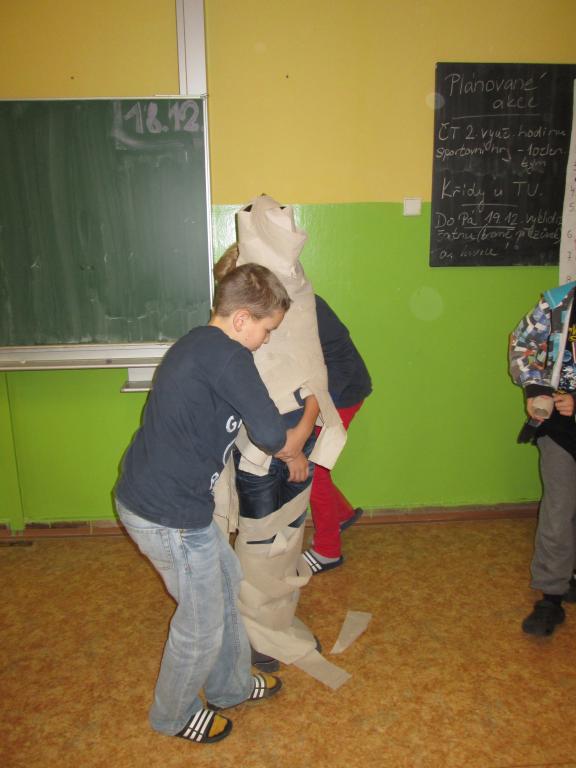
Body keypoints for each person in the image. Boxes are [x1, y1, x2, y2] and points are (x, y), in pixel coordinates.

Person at [114, 263, 293, 744]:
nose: (266, 340)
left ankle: (230, 686)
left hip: (167, 500)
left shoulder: (199, 342)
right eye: (267, 330)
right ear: (241, 319)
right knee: (200, 623)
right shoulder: (230, 356)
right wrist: (295, 438)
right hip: (167, 513)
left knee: (226, 578)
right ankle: (172, 716)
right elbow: (272, 433)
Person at [509, 280, 576, 637]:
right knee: (559, 508)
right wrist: (537, 389)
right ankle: (552, 595)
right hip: (561, 428)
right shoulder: (558, 302)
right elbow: (521, 345)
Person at [302, 295, 372, 573]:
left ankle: (328, 551)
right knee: (313, 466)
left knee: (312, 470)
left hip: (342, 394)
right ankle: (340, 515)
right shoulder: (271, 298)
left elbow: (342, 359)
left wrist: (319, 407)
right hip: (324, 391)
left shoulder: (305, 303)